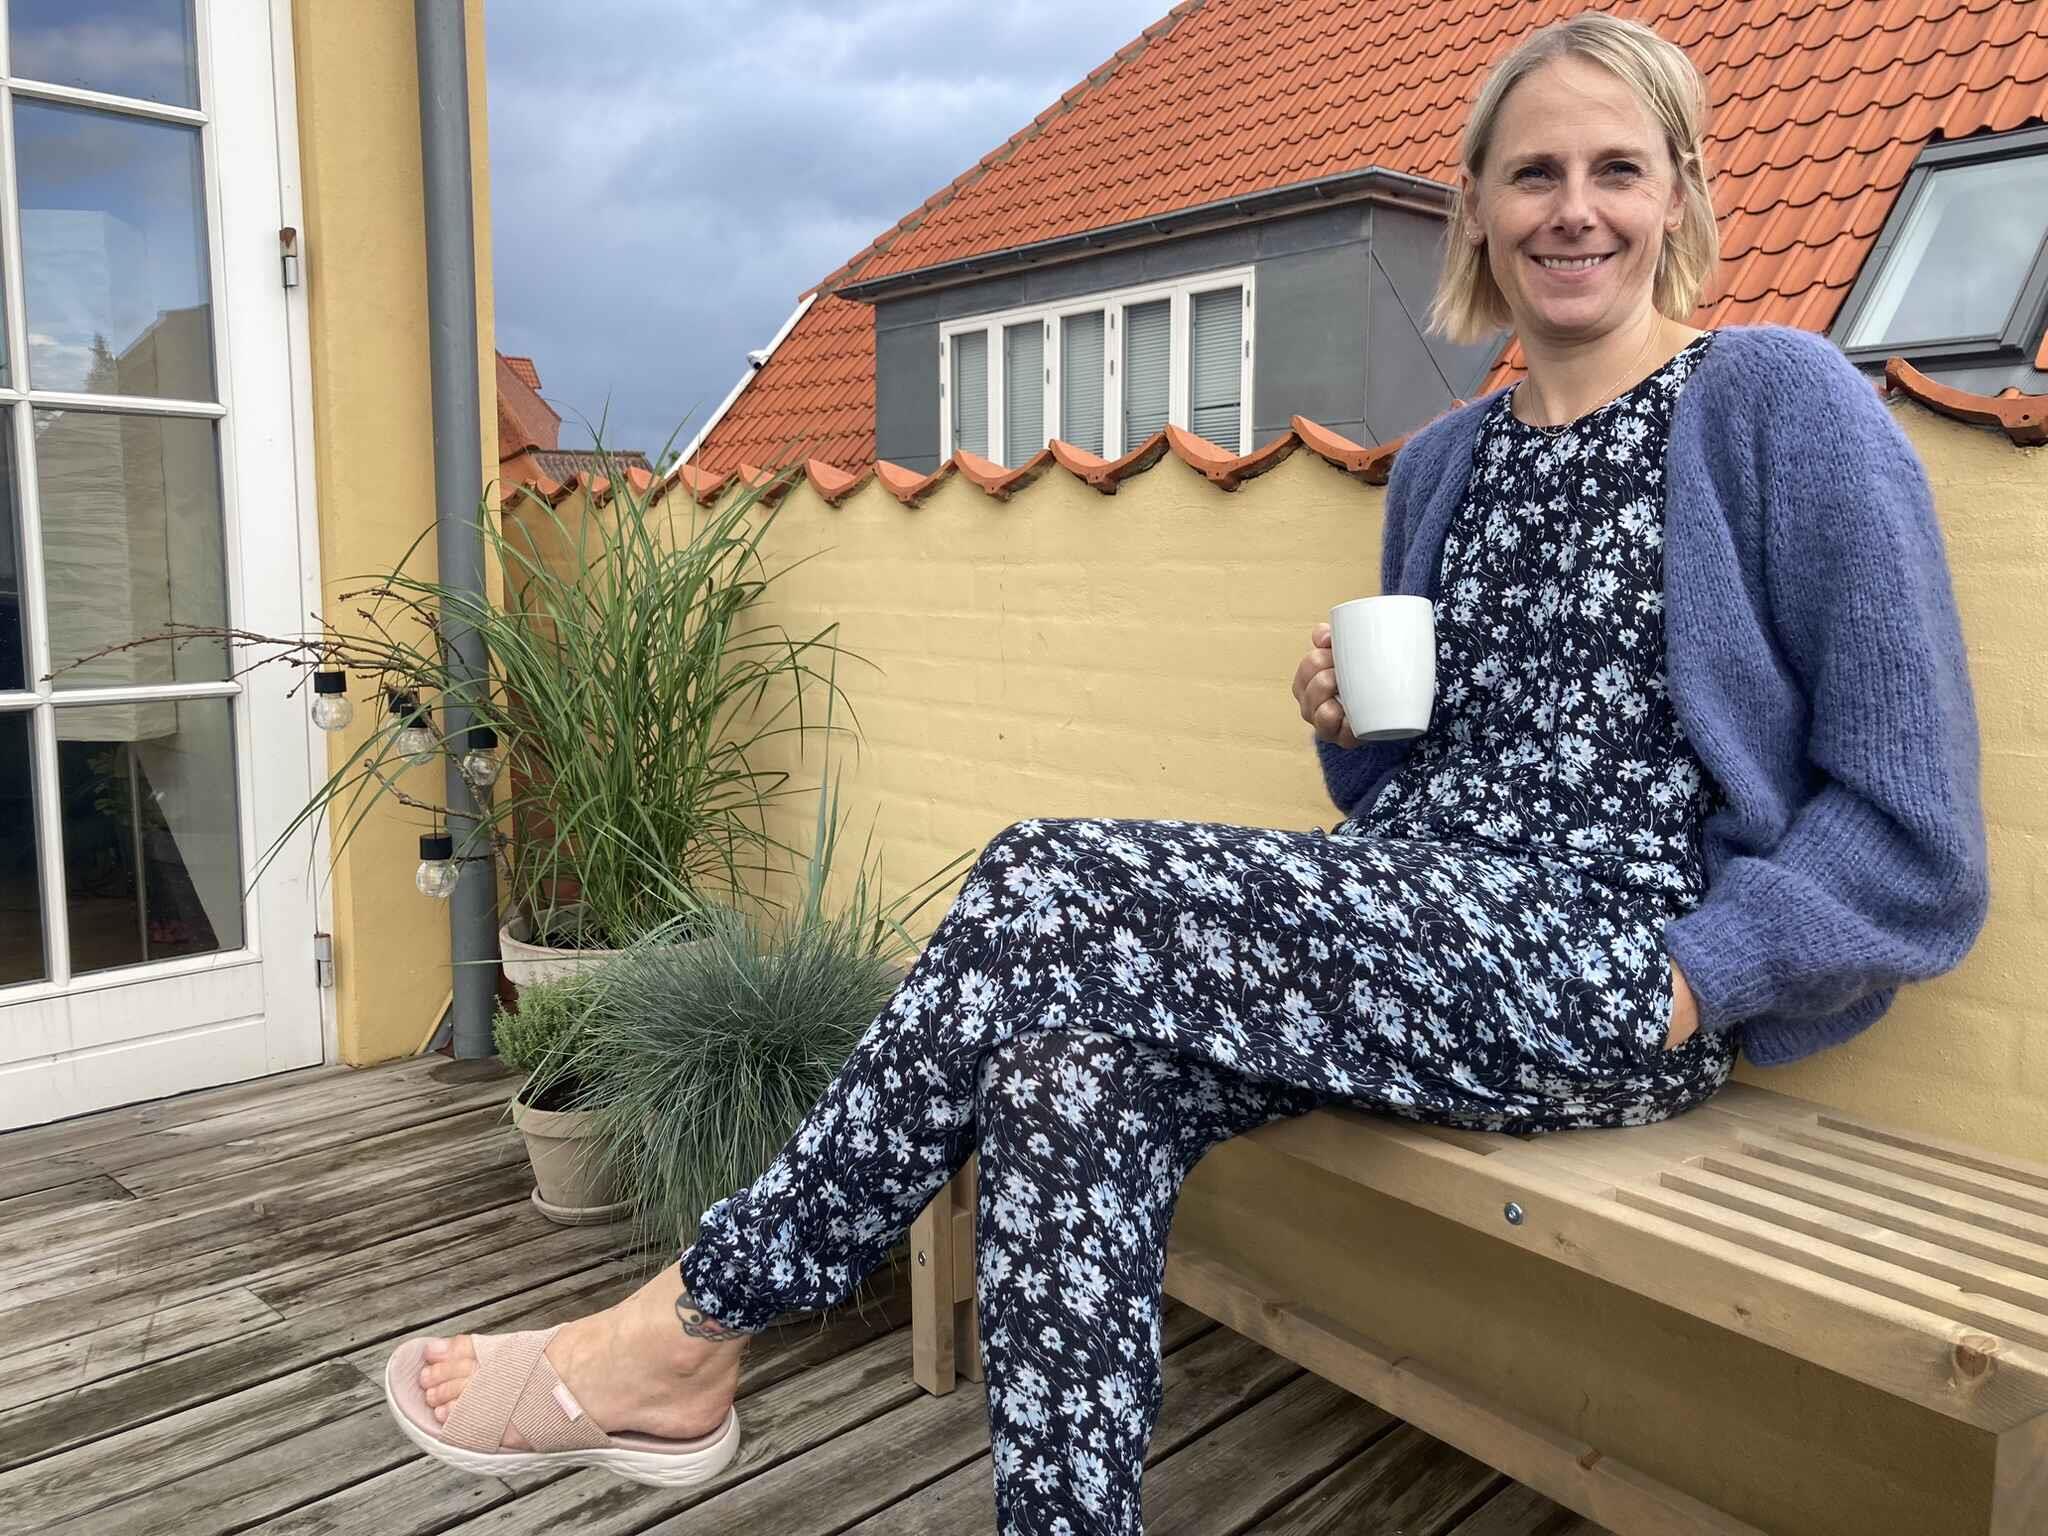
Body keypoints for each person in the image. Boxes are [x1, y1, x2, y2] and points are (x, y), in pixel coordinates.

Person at [381, 12, 1990, 1533]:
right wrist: (1352, 734)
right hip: (1414, 936)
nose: (1576, 210)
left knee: (1048, 874)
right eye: (1535, 174)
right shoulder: (1447, 463)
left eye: (1617, 169)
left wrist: (1697, 981)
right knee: (1060, 1076)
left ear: (1681, 195)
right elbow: (1430, 790)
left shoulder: (1774, 401)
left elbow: (1911, 836)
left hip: (1614, 972)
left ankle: (694, 1327)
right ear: (1477, 210)